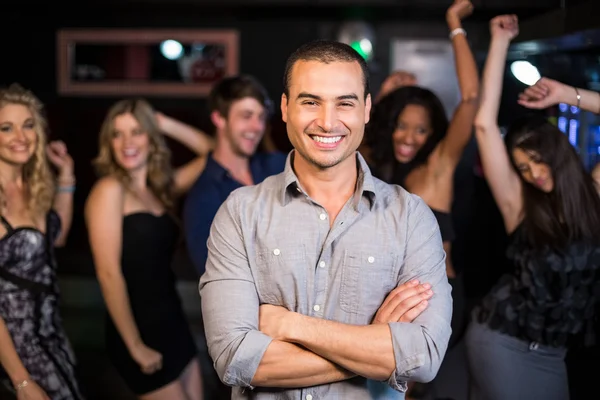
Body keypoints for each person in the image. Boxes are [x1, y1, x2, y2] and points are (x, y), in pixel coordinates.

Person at [199, 40, 452, 399]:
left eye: (345, 103)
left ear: (366, 109)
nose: (327, 122)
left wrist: (291, 325)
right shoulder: (240, 213)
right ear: (285, 107)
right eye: (310, 101)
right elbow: (233, 358)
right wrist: (374, 344)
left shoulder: (410, 216)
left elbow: (423, 357)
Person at [468, 15, 600, 399]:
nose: (533, 174)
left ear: (558, 154)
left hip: (555, 353)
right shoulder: (519, 205)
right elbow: (484, 127)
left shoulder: (593, 195)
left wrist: (565, 94)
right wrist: (498, 42)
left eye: (538, 161)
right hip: (503, 341)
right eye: (523, 167)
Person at [86, 99, 212, 399]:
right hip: (137, 329)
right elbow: (108, 274)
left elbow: (215, 153)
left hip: (173, 320)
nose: (127, 142)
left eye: (138, 131)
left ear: (151, 138)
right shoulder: (109, 190)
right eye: (118, 134)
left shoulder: (160, 189)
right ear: (110, 142)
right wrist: (134, 346)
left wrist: (164, 123)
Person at [0, 84, 84, 399]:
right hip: (15, 348)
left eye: (28, 125)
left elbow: (56, 238)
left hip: (51, 335)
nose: (20, 136)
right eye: (6, 128)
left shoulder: (33, 184)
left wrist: (66, 176)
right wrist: (21, 380)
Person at [183, 75, 286, 276]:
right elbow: (215, 277)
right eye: (246, 116)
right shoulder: (203, 197)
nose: (257, 127)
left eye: (261, 117)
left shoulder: (277, 165)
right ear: (219, 118)